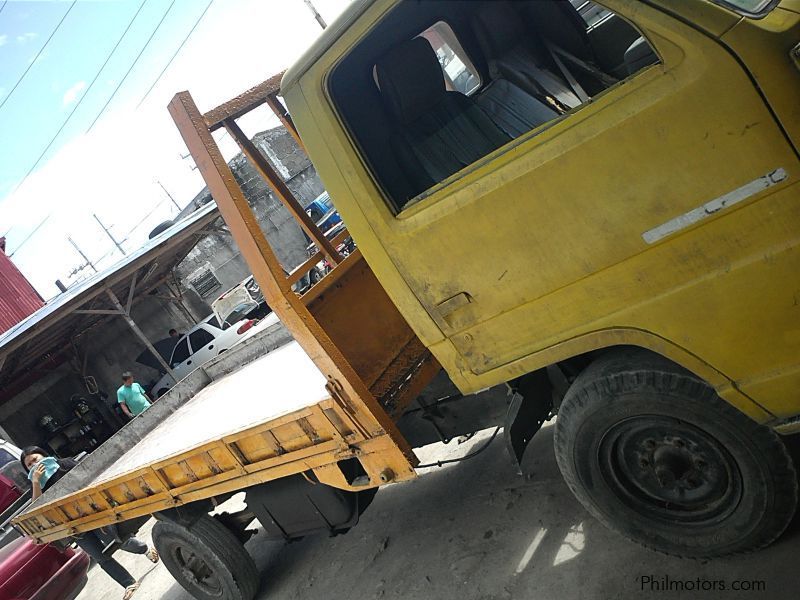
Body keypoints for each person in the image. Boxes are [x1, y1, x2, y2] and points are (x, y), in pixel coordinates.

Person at [21, 446, 158, 600]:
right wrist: (35, 483)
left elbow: (88, 478)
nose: (33, 465)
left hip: (92, 513)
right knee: (100, 556)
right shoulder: (37, 485)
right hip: (73, 526)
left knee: (117, 541)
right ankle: (128, 583)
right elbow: (36, 508)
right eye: (29, 465)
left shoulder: (64, 464)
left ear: (43, 456)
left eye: (35, 459)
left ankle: (144, 549)